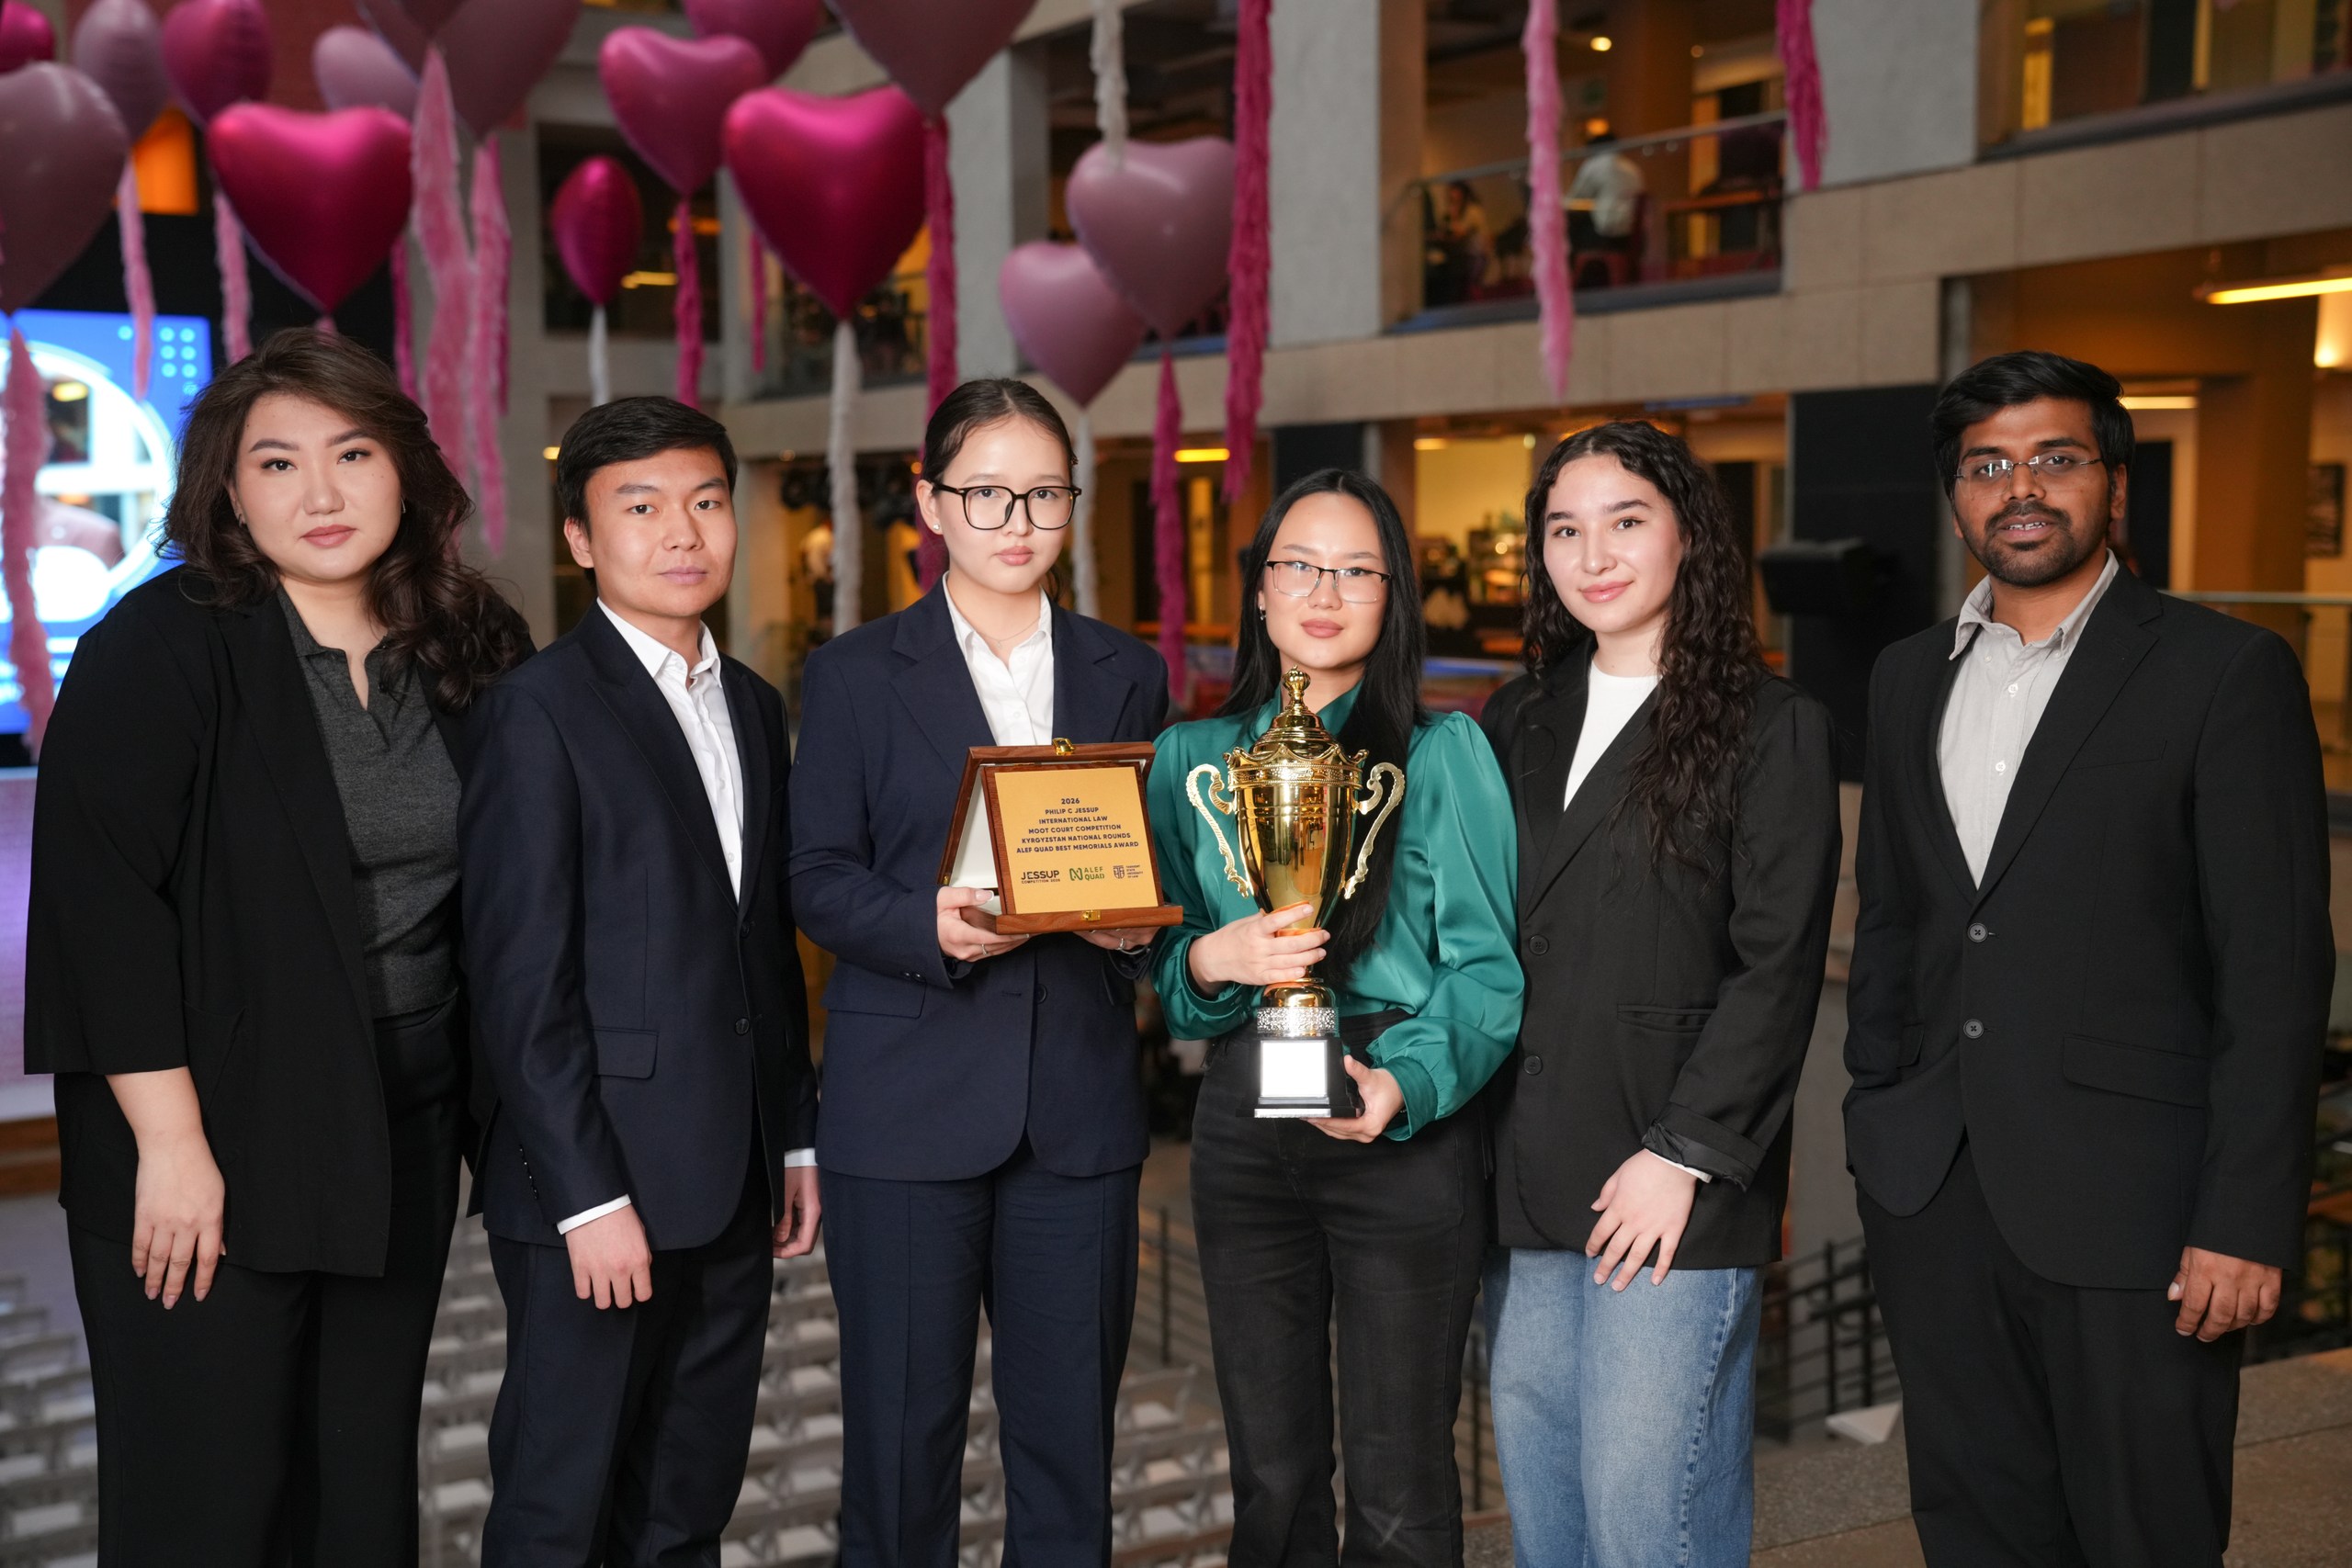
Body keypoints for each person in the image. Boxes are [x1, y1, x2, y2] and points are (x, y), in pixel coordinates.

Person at [25, 328, 530, 1565]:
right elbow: (103, 909)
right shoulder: (160, 645)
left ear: (404, 468)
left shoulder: (471, 640)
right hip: (210, 1132)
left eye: (352, 454)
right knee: (209, 1504)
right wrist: (171, 1146)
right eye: (278, 462)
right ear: (230, 490)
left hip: (398, 1128)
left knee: (359, 1497)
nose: (320, 493)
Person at [1845, 350, 2329, 1564]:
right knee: (1975, 1528)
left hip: (2139, 1212)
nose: (2020, 488)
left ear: (2115, 482)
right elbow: (1896, 923)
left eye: (2054, 458)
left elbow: (2273, 973)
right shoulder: (1905, 678)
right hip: (1935, 1193)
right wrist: (1876, 1120)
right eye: (1986, 466)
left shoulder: (2224, 672)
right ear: (1955, 496)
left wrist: (2244, 1217)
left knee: (2144, 1534)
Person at [789, 378, 1169, 1567]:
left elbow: (1153, 859)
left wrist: (1135, 927)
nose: (1018, 520)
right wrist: (926, 923)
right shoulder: (854, 673)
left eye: (1045, 494)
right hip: (904, 1112)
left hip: (1077, 1112)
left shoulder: (1128, 668)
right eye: (988, 493)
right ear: (931, 502)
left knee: (1070, 1457)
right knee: (900, 1457)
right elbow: (815, 874)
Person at [460, 396, 821, 1564]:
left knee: (685, 1506)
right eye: (642, 506)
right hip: (597, 1188)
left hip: (733, 1176)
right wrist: (586, 1199)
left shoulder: (753, 704)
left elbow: (761, 944)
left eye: (707, 502)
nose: (683, 532)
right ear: (580, 538)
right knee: (558, 1512)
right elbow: (519, 983)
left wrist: (794, 1136)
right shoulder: (536, 711)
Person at [1477, 422, 1840, 1567]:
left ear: (1689, 536)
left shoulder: (1771, 726)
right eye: (1563, 529)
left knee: (1646, 1518)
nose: (1592, 555)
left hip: (1671, 1179)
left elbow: (1776, 967)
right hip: (1524, 1165)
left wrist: (1681, 1154)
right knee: (1546, 1518)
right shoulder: (1515, 716)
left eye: (1626, 521)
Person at [1147, 468, 1523, 1568]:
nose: (1325, 592)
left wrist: (1405, 1079)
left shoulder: (1443, 752)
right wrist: (1213, 958)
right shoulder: (1190, 760)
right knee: (1269, 1476)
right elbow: (1167, 963)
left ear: (1393, 596)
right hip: (1242, 1112)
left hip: (1396, 1110)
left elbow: (1487, 970)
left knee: (1400, 1479)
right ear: (1259, 589)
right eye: (1300, 566)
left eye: (1358, 570)